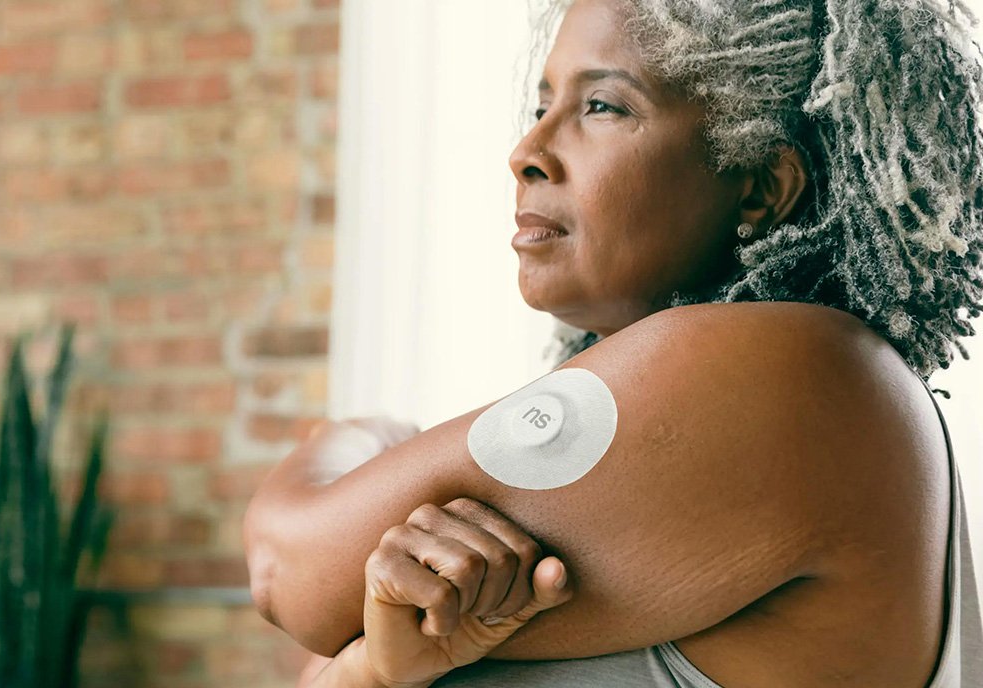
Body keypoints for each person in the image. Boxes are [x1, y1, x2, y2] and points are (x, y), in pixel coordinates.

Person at [243, 0, 983, 685]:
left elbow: (287, 569)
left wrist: (358, 438)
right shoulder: (709, 428)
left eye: (602, 105)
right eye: (542, 105)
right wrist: (370, 670)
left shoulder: (798, 371)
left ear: (758, 186)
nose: (527, 151)